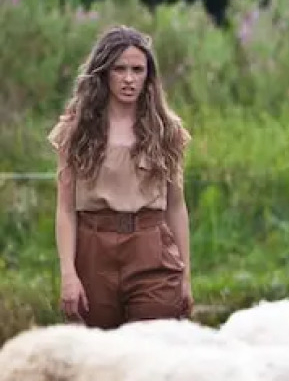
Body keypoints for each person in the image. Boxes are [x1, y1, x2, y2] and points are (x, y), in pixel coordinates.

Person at [50, 25, 195, 329]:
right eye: (120, 69)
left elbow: (176, 207)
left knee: (153, 349)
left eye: (137, 70)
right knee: (99, 354)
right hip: (94, 251)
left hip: (151, 250)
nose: (129, 79)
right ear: (103, 73)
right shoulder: (76, 131)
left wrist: (186, 276)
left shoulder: (167, 131)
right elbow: (65, 209)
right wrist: (68, 274)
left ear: (148, 76)